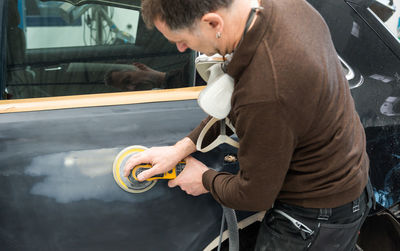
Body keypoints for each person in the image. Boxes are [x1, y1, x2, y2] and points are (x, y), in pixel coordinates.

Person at [124, 0, 374, 250]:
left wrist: (204, 179)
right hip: (348, 188)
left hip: (314, 214)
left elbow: (255, 194)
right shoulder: (280, 7)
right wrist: (181, 149)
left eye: (182, 39)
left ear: (213, 23)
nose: (180, 49)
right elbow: (236, 103)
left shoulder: (267, 88)